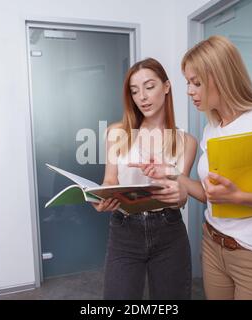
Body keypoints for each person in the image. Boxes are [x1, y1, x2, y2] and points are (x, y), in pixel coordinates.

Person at [133, 36, 252, 300]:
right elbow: (212, 195)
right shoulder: (212, 128)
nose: (189, 91)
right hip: (213, 245)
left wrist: (241, 197)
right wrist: (173, 173)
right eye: (188, 82)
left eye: (196, 83)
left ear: (221, 77)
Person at [92, 58, 198, 300]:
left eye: (149, 87)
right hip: (124, 230)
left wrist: (180, 195)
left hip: (169, 231)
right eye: (135, 91)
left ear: (167, 87)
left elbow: (180, 198)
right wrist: (100, 197)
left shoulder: (187, 142)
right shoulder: (116, 133)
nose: (142, 97)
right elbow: (109, 180)